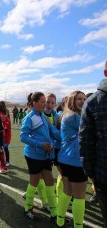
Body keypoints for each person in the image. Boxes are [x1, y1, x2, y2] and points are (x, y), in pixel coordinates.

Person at [20, 92, 60, 222]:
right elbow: (23, 136)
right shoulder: (29, 117)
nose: (45, 104)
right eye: (42, 102)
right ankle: (27, 209)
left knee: (50, 182)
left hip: (45, 155)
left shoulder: (43, 116)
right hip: (33, 155)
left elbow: (53, 132)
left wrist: (65, 138)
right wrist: (39, 144)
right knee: (34, 182)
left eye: (45, 102)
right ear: (34, 103)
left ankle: (54, 214)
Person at [80, 62, 107, 227]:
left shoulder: (92, 102)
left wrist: (90, 172)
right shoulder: (91, 102)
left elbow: (85, 142)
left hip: (103, 173)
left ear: (104, 72)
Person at [56, 91, 87, 227]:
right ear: (72, 100)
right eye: (79, 99)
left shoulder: (68, 115)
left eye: (84, 99)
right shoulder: (74, 117)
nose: (83, 101)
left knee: (67, 192)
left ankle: (60, 221)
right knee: (80, 197)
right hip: (75, 161)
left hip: (65, 159)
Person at [0, 101, 11, 173]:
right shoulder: (3, 115)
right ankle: (3, 166)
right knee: (0, 151)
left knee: (0, 151)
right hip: (2, 136)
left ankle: (4, 167)